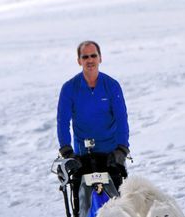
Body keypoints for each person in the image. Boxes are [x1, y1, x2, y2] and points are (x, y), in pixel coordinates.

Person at [56, 40, 130, 189]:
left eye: (93, 55)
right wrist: (66, 151)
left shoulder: (111, 85)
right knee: (83, 202)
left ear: (100, 58)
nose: (89, 60)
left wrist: (122, 149)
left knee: (115, 202)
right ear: (79, 61)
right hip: (82, 154)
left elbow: (122, 118)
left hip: (110, 153)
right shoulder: (69, 88)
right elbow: (62, 121)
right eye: (85, 57)